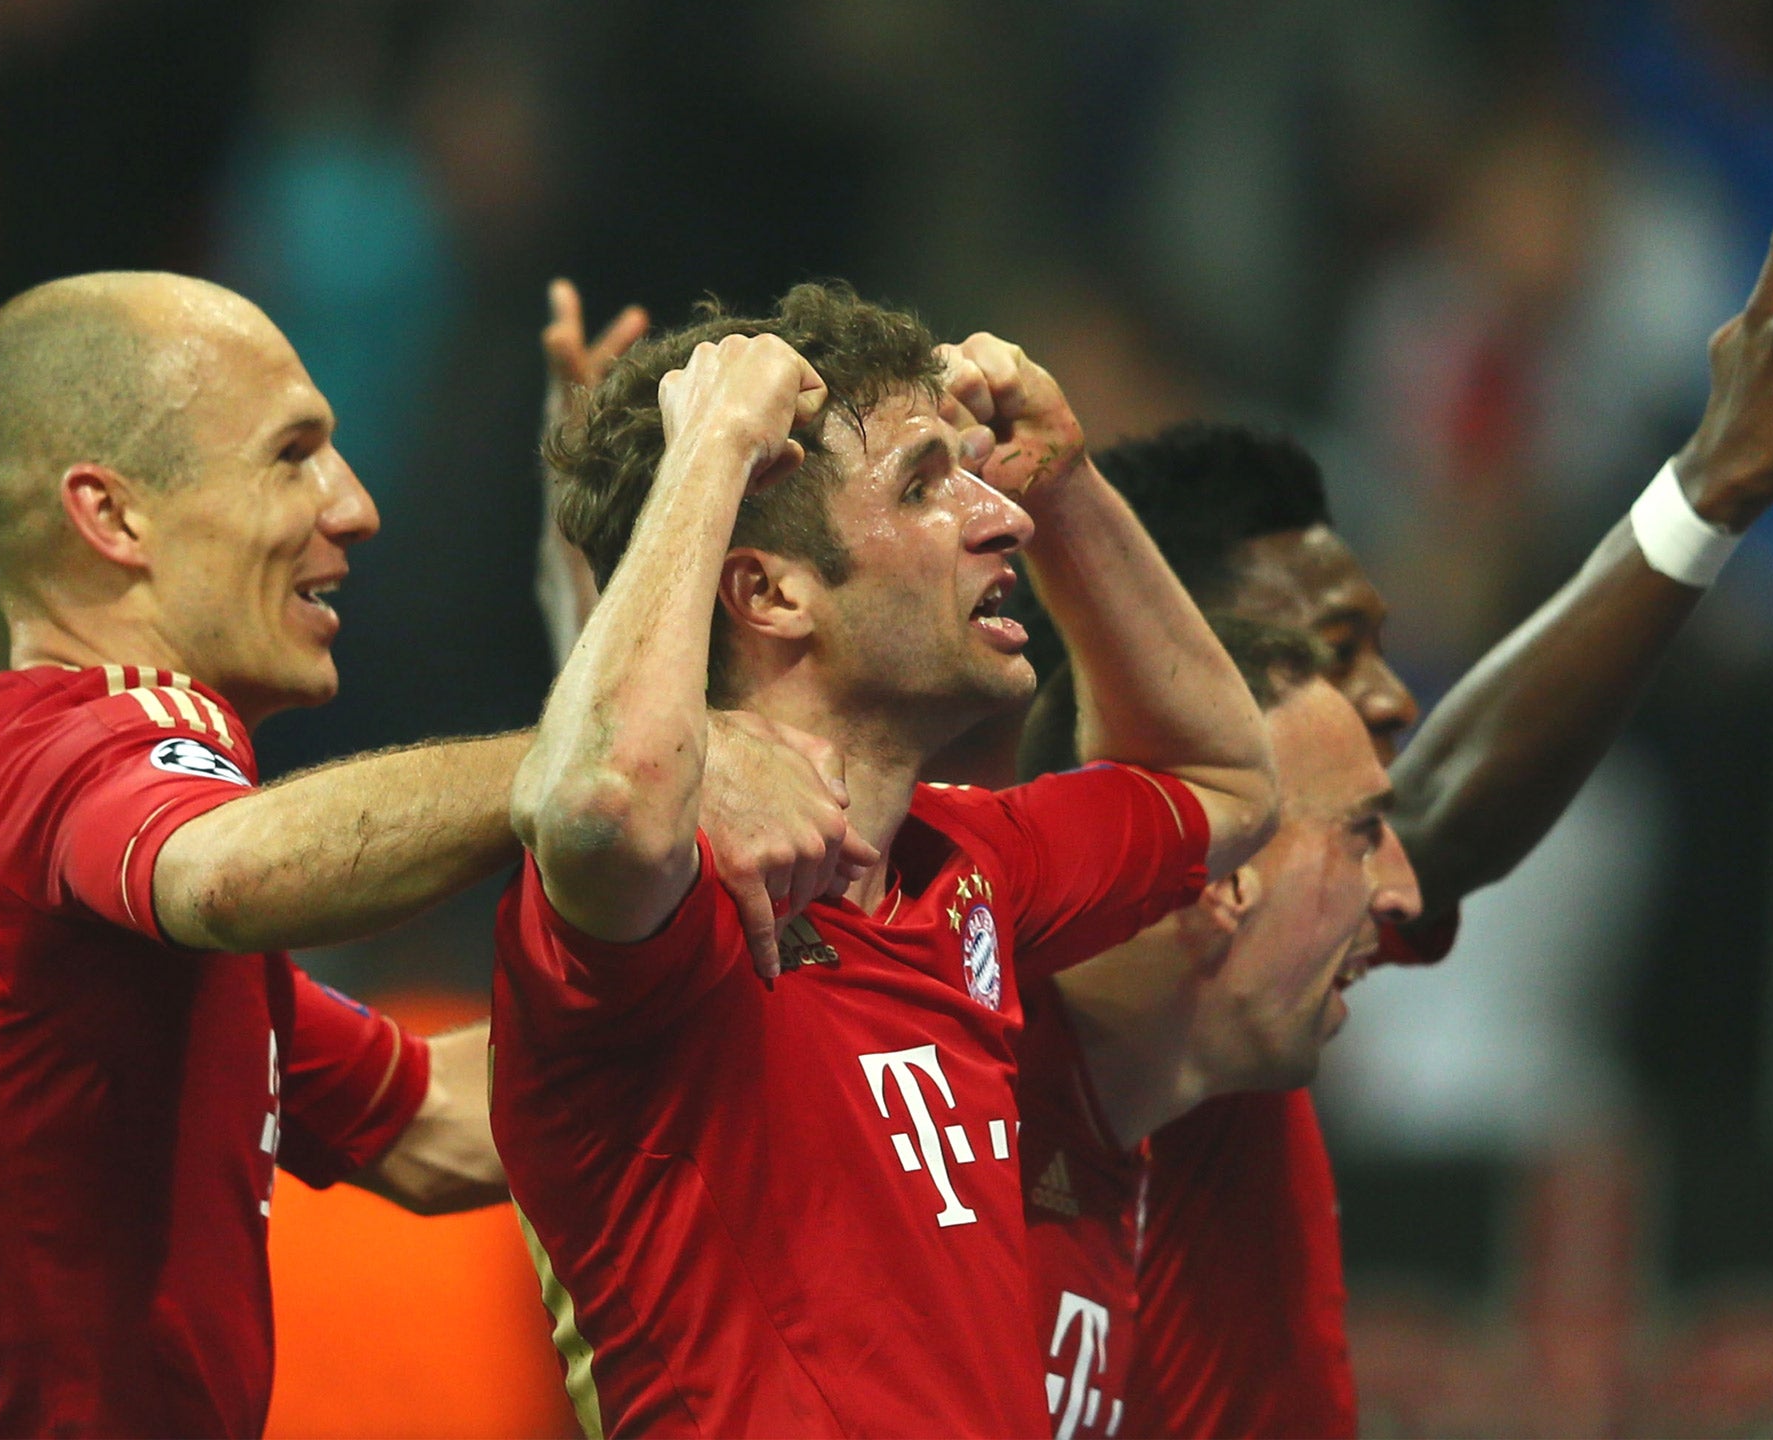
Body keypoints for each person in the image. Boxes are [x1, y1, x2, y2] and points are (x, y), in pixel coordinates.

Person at [1010, 159, 1773, 1438]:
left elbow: (1431, 820)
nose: (1389, 704)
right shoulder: (926, 993)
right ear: (1161, 678)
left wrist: (1704, 495)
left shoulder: (1246, 978)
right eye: (1329, 661)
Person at [0, 271, 858, 1439]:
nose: (352, 506)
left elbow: (440, 1129)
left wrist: (832, 1001)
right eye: (291, 453)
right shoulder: (82, 732)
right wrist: (623, 758)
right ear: (113, 519)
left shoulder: (36, 859)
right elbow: (231, 873)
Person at [492, 283, 1278, 1436]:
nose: (996, 516)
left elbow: (1228, 781)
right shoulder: (654, 910)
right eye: (924, 483)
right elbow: (609, 801)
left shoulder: (970, 863)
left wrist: (1070, 489)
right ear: (767, 591)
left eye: (978, 474)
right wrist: (711, 444)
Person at [1015, 618, 1420, 1440]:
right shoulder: (920, 1043)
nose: (1402, 894)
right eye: (1364, 833)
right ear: (1223, 872)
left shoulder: (1129, 1138)